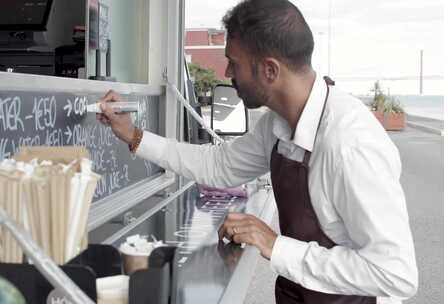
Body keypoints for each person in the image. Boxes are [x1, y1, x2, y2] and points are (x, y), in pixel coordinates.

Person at [96, 0, 418, 303]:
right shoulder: (276, 125)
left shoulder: (349, 144)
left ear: (270, 70)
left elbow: (395, 272)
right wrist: (134, 136)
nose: (226, 74)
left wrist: (275, 244)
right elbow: (218, 165)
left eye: (233, 63)